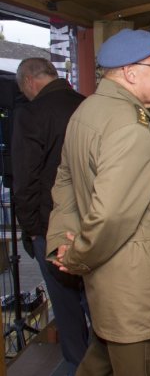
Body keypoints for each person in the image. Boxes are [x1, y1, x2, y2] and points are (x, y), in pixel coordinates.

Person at [46, 29, 150, 376]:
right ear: (131, 72)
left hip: (111, 281)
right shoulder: (130, 127)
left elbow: (65, 183)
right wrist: (76, 255)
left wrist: (60, 243)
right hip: (136, 285)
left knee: (101, 358)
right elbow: (111, 216)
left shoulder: (88, 111)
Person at [11, 58, 89, 375]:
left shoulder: (31, 114)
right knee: (96, 299)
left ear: (29, 81)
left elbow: (25, 179)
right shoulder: (86, 106)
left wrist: (32, 230)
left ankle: (79, 365)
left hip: (52, 226)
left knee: (67, 306)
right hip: (93, 222)